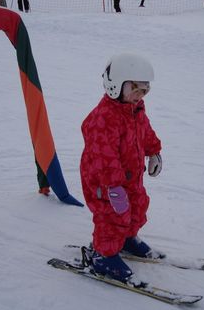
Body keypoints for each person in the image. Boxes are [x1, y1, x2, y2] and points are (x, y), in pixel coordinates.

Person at [80, 52, 162, 283]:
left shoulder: (136, 110)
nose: (140, 95)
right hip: (105, 182)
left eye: (145, 90)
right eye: (135, 89)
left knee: (137, 207)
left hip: (131, 176)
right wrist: (113, 187)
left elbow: (145, 133)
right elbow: (103, 157)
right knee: (111, 216)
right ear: (115, 85)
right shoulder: (102, 118)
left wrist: (154, 152)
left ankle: (126, 238)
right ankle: (102, 255)